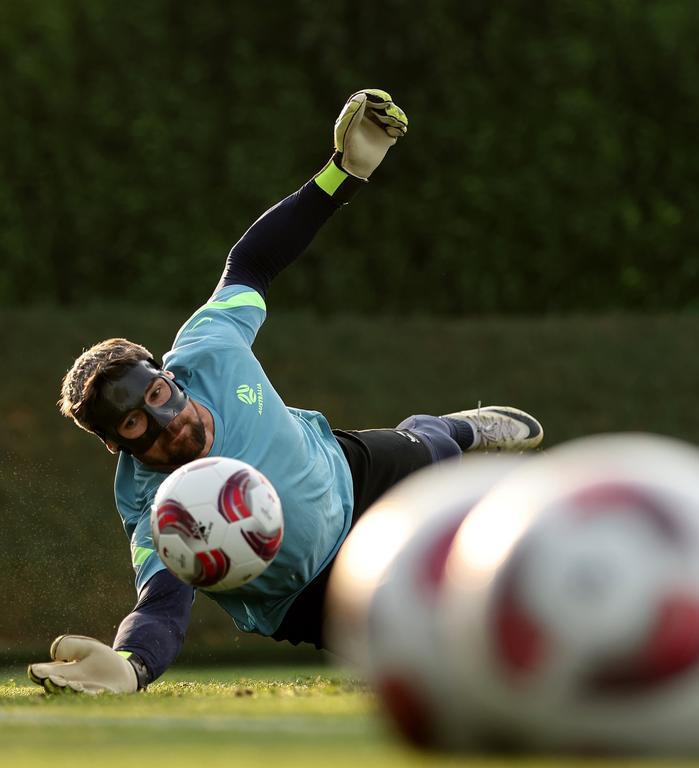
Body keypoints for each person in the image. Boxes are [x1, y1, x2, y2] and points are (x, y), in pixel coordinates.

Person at [27, 89, 544, 695]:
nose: (164, 422)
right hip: (314, 592)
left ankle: (464, 426)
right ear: (116, 446)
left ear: (168, 376)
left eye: (158, 397)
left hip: (347, 472)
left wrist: (342, 175)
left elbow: (250, 264)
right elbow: (162, 606)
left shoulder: (209, 350)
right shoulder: (155, 507)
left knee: (431, 444)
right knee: (446, 641)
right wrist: (133, 665)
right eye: (136, 426)